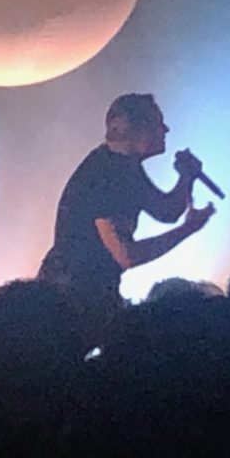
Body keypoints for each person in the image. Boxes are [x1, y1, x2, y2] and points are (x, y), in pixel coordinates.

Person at [38, 93, 215, 327]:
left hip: (86, 289)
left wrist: (186, 177)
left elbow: (166, 211)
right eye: (156, 123)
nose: (166, 129)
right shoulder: (109, 173)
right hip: (74, 295)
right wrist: (188, 229)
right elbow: (126, 255)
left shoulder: (124, 167)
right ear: (133, 128)